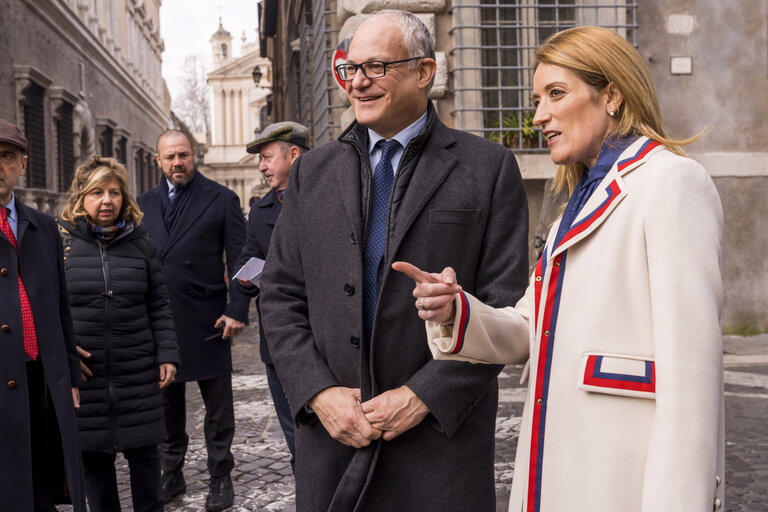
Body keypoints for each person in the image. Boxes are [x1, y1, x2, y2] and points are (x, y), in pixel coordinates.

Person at [396, 26, 724, 512]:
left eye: (556, 94)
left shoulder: (672, 182)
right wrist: (455, 310)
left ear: (611, 94)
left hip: (621, 482)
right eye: (536, 99)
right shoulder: (577, 202)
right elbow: (530, 327)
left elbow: (692, 380)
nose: (539, 116)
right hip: (556, 472)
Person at [259, 10, 528, 511]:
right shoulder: (311, 173)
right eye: (349, 69)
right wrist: (318, 393)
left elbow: (506, 305)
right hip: (335, 441)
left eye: (376, 67)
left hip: (439, 448)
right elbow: (279, 295)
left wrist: (422, 395)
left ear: (424, 72)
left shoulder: (488, 168)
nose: (357, 83)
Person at [58, 155, 180, 512]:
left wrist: (168, 354)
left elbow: (159, 303)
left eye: (113, 192)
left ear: (124, 198)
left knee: (147, 479)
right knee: (97, 481)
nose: (107, 200)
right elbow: (49, 310)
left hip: (138, 375)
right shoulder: (62, 246)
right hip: (88, 381)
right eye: (97, 192)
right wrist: (66, 354)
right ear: (81, 197)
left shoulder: (141, 244)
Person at [137, 130, 249, 512]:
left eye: (183, 155)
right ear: (158, 161)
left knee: (217, 406)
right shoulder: (143, 205)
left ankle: (220, 474)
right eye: (169, 157)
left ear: (194, 155)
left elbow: (241, 259)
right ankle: (173, 471)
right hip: (160, 321)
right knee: (167, 403)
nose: (177, 163)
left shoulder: (221, 198)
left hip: (208, 318)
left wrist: (238, 309)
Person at [0, 118, 86, 511]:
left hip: (42, 381)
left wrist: (67, 375)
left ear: (22, 164)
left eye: (6, 157)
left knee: (42, 485)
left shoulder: (45, 227)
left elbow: (61, 309)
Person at [235, 121, 310, 473]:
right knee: (296, 437)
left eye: (267, 158)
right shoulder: (261, 210)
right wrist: (248, 280)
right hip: (277, 341)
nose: (262, 167)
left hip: (325, 337)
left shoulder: (330, 196)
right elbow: (247, 257)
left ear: (293, 154)